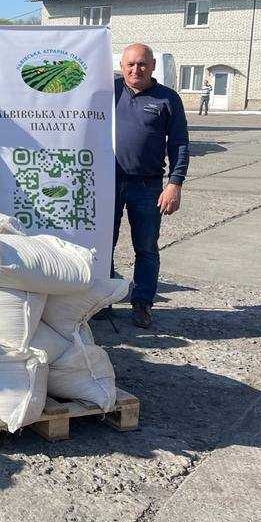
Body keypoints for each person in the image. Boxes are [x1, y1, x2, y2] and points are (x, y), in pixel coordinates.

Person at [112, 42, 189, 329]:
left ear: (153, 65)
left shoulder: (167, 98)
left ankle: (142, 304)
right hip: (109, 182)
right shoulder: (109, 92)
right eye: (130, 64)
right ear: (121, 66)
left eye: (142, 64)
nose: (136, 69)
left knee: (145, 248)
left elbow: (179, 143)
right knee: (103, 244)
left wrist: (175, 183)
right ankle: (103, 301)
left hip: (148, 186)